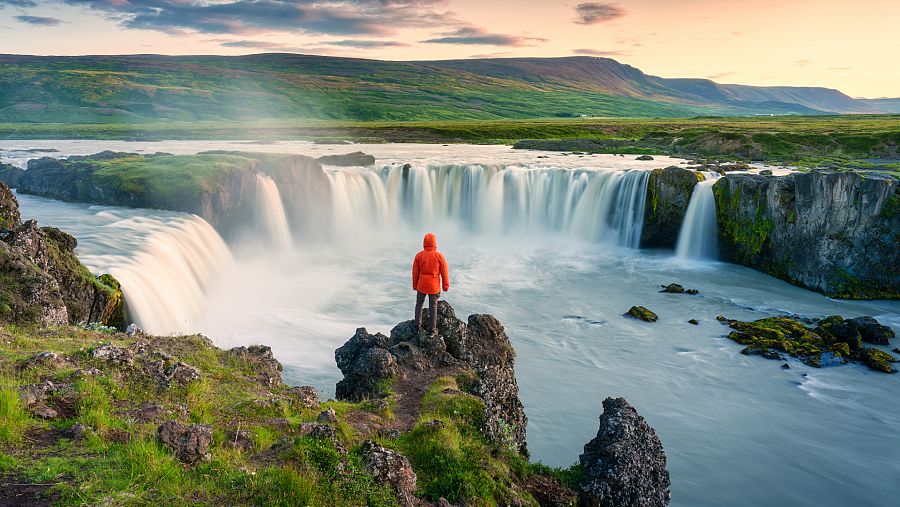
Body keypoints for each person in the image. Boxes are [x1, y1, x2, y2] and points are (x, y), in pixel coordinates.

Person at [412, 233, 450, 333]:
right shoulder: (439, 256)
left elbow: (415, 272)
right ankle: (432, 329)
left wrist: (415, 285)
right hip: (434, 287)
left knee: (419, 304)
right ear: (435, 244)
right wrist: (445, 285)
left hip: (422, 285)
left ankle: (416, 325)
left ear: (424, 243)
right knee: (433, 307)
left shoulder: (419, 255)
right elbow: (444, 272)